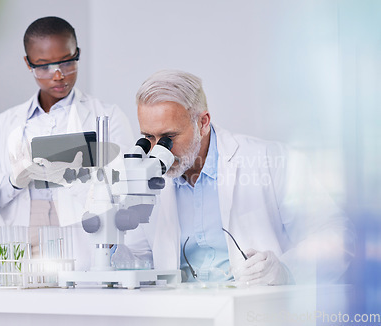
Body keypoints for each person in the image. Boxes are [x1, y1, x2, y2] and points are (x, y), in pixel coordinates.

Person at [125, 69, 354, 285]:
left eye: (168, 137)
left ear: (202, 123)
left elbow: (336, 237)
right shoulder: (147, 176)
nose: (158, 150)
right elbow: (138, 255)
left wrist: (287, 270)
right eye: (148, 137)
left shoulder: (270, 160)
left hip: (254, 311)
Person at [0, 17, 133, 269]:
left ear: (77, 54)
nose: (58, 75)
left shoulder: (108, 118)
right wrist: (12, 181)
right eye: (44, 66)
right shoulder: (3, 125)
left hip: (82, 240)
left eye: (67, 62)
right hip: (24, 236)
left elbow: (126, 192)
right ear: (28, 63)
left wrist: (74, 177)